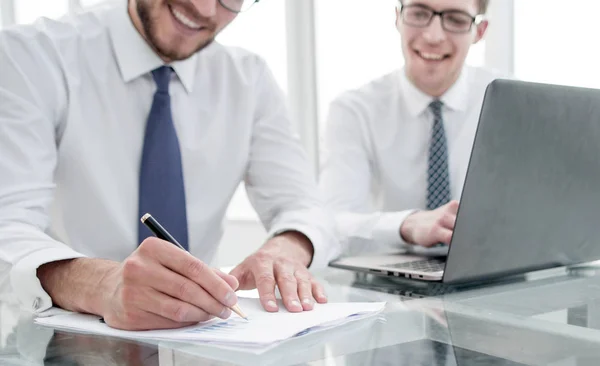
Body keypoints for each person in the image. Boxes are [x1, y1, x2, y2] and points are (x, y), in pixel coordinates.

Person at [0, 0, 340, 331]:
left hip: (197, 336)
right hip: (53, 335)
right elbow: (8, 223)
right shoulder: (31, 54)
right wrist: (101, 284)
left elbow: (304, 205)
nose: (205, 9)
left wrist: (285, 248)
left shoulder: (248, 78)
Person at [320, 0, 505, 255]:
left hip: (490, 275)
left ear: (480, 31)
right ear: (398, 18)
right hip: (383, 279)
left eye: (456, 19)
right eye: (419, 13)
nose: (433, 36)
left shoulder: (507, 103)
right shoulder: (354, 110)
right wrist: (406, 225)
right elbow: (332, 223)